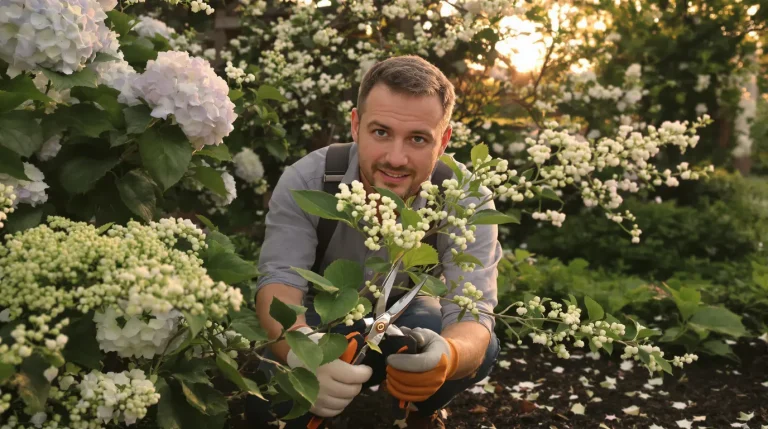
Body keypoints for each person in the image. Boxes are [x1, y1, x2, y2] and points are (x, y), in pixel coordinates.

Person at [248, 55, 502, 429]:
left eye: (418, 138)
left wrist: (445, 358)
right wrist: (302, 355)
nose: (395, 158)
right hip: (322, 316)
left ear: (444, 140)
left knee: (482, 346)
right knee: (271, 398)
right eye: (380, 132)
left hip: (408, 320)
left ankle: (416, 408)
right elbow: (279, 285)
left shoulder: (466, 199)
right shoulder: (310, 179)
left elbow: (473, 315)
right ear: (355, 125)